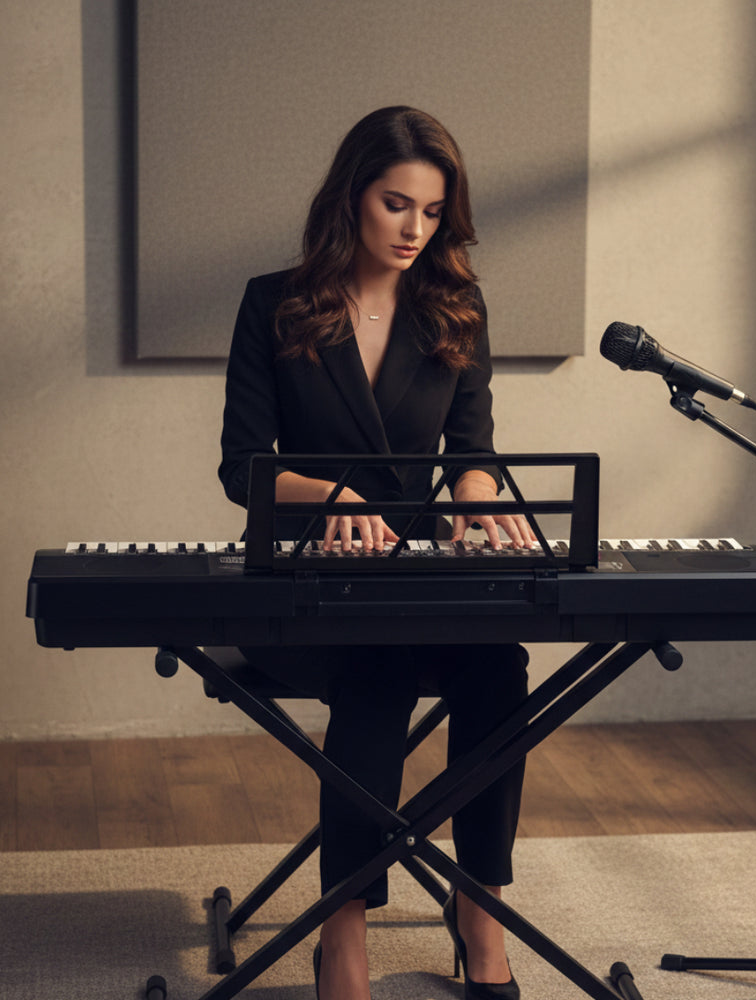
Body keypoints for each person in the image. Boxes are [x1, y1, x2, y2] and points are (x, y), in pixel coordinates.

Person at [218, 106, 533, 1000]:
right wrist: (334, 499)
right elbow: (242, 468)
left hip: (419, 580)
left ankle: (480, 908)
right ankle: (344, 927)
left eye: (432, 213)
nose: (414, 230)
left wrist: (480, 514)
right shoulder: (271, 304)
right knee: (378, 668)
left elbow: (473, 460)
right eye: (398, 204)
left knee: (497, 669)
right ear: (352, 196)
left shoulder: (455, 310)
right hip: (307, 591)